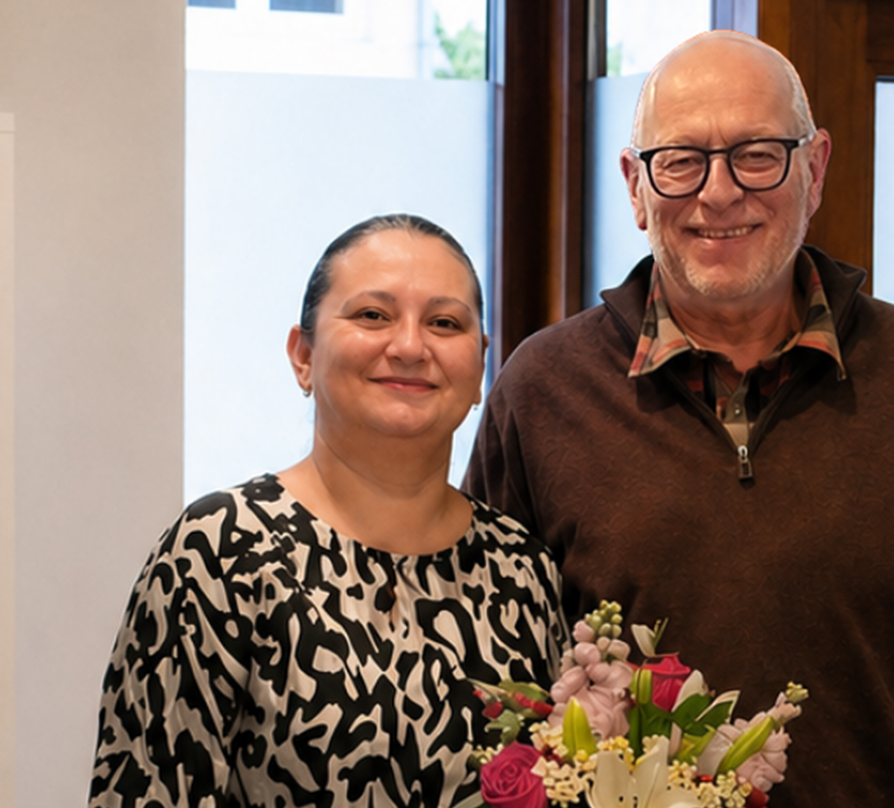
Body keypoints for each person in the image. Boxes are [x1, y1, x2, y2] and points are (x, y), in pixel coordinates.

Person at [467, 30, 894, 808]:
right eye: (681, 160)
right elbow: (497, 690)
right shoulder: (542, 391)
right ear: (636, 187)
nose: (719, 193)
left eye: (758, 154)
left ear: (816, 170)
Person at [90, 214, 566, 807]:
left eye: (444, 323)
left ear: (479, 370)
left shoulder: (521, 568)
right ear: (303, 355)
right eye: (373, 315)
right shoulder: (219, 552)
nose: (411, 346)